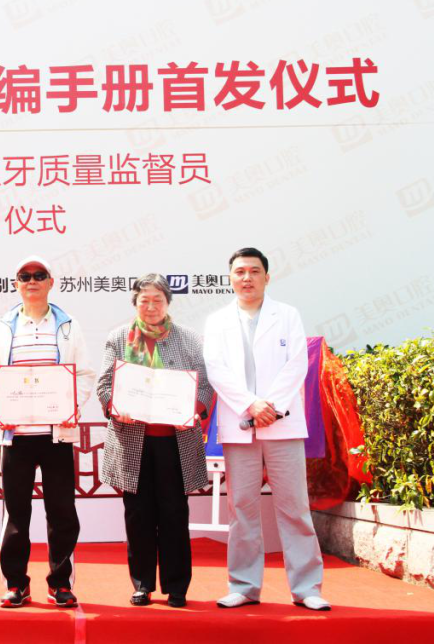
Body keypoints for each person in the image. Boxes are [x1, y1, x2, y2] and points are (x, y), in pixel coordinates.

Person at [202, 247, 330, 611]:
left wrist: (269, 406)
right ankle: (244, 586)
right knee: (242, 509)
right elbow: (216, 369)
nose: (247, 278)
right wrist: (250, 405)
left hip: (282, 424)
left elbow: (296, 365)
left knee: (294, 507)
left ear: (267, 277)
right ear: (230, 279)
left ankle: (307, 588)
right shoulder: (217, 321)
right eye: (240, 272)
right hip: (240, 425)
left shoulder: (287, 315)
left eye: (254, 271)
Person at [0, 255, 95, 608]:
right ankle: (16, 583)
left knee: (62, 512)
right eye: (24, 276)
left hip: (57, 433)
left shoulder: (68, 325)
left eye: (39, 275)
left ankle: (60, 583)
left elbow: (84, 374)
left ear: (50, 282)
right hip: (15, 436)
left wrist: (72, 406)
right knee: (16, 514)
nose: (32, 281)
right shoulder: (3, 328)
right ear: (16, 284)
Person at [96, 274, 211, 608]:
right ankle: (143, 584)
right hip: (132, 442)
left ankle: (177, 587)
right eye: (143, 300)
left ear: (168, 303)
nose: (150, 306)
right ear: (135, 303)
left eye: (157, 300)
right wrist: (115, 407)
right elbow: (104, 385)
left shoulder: (190, 339)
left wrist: (191, 410)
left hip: (175, 442)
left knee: (175, 514)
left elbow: (204, 385)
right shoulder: (119, 338)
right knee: (138, 515)